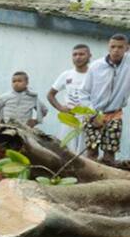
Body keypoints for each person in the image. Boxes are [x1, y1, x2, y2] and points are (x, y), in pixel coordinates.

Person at [78, 33, 130, 163]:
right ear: (108, 47)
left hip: (115, 115)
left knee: (110, 154)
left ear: (127, 48)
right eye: (113, 46)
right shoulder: (96, 66)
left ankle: (107, 182)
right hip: (93, 114)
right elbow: (83, 92)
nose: (116, 50)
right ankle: (89, 181)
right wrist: (93, 115)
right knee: (91, 152)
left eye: (120, 47)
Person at [47, 44, 92, 114]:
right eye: (75, 54)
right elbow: (50, 95)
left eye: (81, 54)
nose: (78, 57)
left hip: (91, 120)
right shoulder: (66, 75)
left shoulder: (95, 75)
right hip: (70, 121)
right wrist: (60, 108)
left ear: (89, 56)